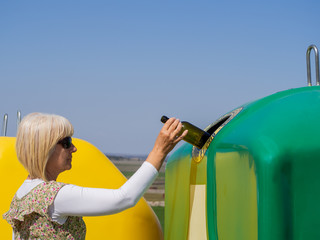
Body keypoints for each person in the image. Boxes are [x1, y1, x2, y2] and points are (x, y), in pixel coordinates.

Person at [3, 112, 187, 239]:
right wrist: (160, 150)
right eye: (66, 142)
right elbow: (124, 198)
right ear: (46, 149)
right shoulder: (55, 195)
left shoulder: (22, 194)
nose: (74, 148)